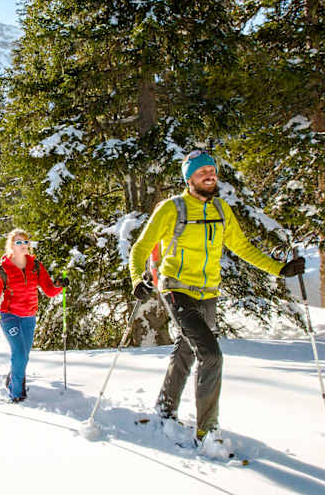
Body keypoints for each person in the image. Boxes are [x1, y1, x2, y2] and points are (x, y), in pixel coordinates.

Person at [128, 150, 305, 442]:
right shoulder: (172, 209)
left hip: (208, 293)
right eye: (202, 172)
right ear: (189, 179)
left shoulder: (222, 210)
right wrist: (138, 279)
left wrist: (280, 269)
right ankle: (207, 431)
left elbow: (243, 248)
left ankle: (164, 407)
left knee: (185, 350)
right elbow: (141, 247)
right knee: (211, 355)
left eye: (212, 171)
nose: (209, 175)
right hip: (176, 289)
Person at [0, 229, 69, 403]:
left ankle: (12, 377)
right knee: (19, 353)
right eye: (18, 242)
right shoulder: (2, 269)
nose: (23, 245)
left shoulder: (36, 266)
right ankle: (16, 393)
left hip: (29, 316)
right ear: (11, 246)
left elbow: (48, 290)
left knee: (24, 354)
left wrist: (59, 285)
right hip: (9, 315)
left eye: (25, 242)